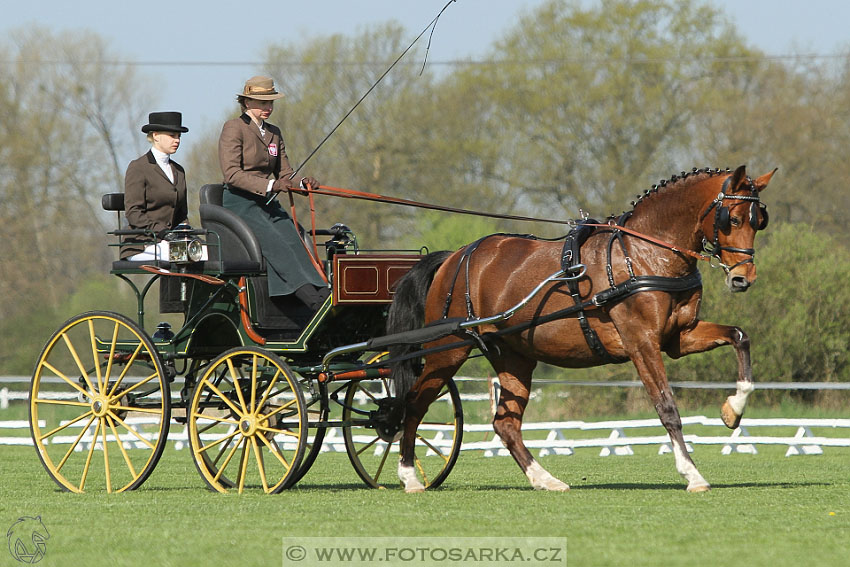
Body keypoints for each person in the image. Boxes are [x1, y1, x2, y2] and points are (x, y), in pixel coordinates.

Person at [218, 75, 328, 310]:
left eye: (271, 102)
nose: (268, 107)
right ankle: (314, 303)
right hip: (240, 203)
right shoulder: (234, 128)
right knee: (278, 247)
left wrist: (302, 183)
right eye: (263, 102)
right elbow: (232, 174)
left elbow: (284, 174)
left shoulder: (274, 133)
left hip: (267, 203)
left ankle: (324, 292)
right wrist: (270, 186)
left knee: (295, 240)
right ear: (247, 103)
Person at [122, 111, 190, 261]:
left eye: (179, 136)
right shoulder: (138, 167)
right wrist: (162, 232)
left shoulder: (178, 171)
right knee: (180, 256)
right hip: (140, 243)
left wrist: (186, 234)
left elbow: (181, 215)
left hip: (170, 242)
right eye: (172, 135)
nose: (177, 140)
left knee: (205, 253)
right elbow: (133, 213)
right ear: (156, 136)